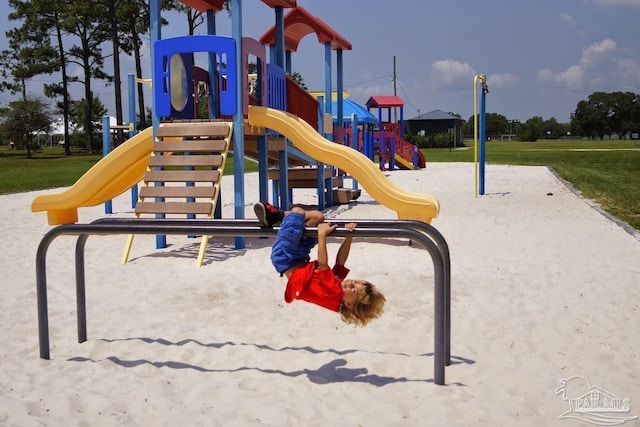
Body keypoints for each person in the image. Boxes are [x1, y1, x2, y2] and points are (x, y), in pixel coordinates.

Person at [254, 201, 385, 326]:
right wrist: (349, 237)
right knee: (317, 217)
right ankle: (275, 217)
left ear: (349, 304)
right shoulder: (338, 292)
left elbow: (323, 265)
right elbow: (340, 262)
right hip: (299, 256)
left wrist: (322, 235)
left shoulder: (334, 293)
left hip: (285, 256)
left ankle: (277, 215)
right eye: (355, 282)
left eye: (354, 289)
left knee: (297, 211)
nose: (351, 283)